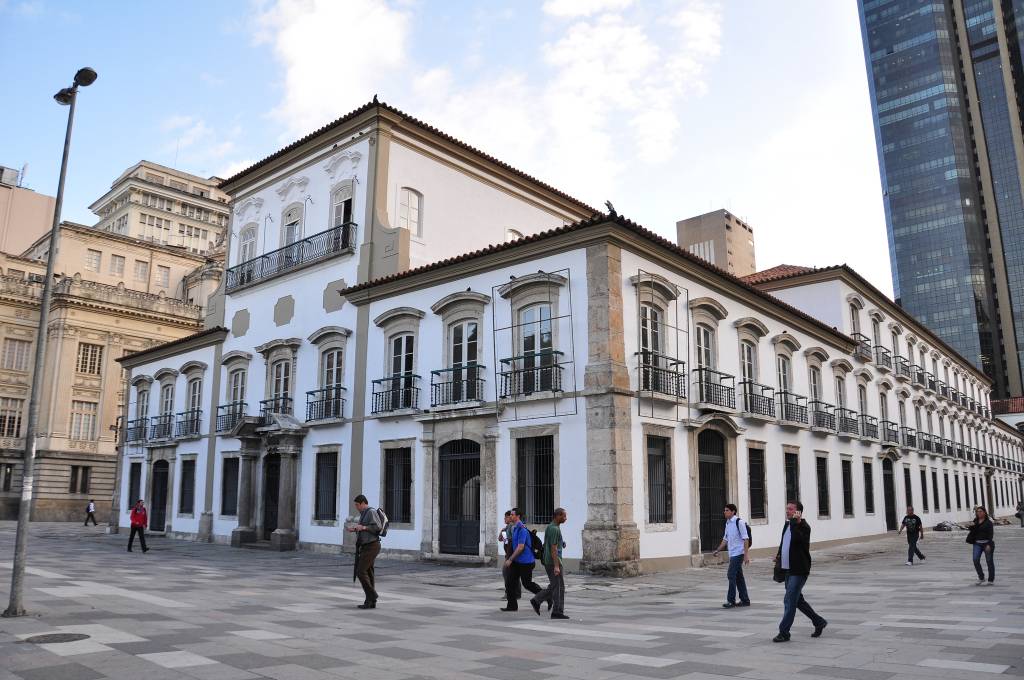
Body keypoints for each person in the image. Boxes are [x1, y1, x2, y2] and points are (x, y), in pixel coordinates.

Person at [773, 501, 827, 642]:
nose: (787, 511)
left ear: (798, 512)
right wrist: (779, 555)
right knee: (797, 601)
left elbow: (797, 540)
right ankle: (818, 621)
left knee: (789, 600)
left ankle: (784, 632)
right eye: (787, 509)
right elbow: (784, 542)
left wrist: (795, 522)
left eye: (790, 509)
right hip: (787, 569)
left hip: (799, 570)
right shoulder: (787, 524)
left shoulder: (804, 527)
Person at [500, 507, 542, 612]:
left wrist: (510, 559)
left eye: (513, 515)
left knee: (527, 584)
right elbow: (511, 543)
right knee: (510, 582)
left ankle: (546, 596)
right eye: (510, 515)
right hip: (517, 561)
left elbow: (520, 547)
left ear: (518, 516)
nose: (511, 516)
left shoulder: (522, 529)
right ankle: (512, 606)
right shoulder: (514, 528)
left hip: (526, 562)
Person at [531, 507, 569, 619]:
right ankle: (554, 610)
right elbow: (553, 548)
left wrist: (561, 543)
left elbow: (551, 543)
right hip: (553, 561)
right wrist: (556, 565)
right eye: (564, 516)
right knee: (559, 587)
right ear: (557, 516)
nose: (565, 518)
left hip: (551, 560)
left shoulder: (551, 527)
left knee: (555, 585)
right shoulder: (554, 529)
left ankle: (540, 602)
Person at [347, 494, 382, 609]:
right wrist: (355, 529)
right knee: (369, 573)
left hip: (372, 546)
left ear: (363, 503)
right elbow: (364, 528)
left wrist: (364, 528)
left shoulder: (371, 511)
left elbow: (378, 527)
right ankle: (370, 602)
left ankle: (372, 595)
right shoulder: (363, 514)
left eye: (357, 505)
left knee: (360, 571)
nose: (356, 507)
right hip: (366, 546)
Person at [712, 503, 750, 608]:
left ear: (733, 511)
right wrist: (718, 550)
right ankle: (745, 600)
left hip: (739, 553)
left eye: (727, 510)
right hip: (732, 553)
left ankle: (731, 600)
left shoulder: (739, 522)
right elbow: (726, 539)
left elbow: (745, 539)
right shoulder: (728, 523)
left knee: (731, 575)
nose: (725, 512)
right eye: (724, 510)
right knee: (739, 577)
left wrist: (746, 555)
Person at [966, 505, 995, 586]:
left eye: (980, 511)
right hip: (977, 543)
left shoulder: (988, 523)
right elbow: (973, 531)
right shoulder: (975, 521)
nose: (979, 513)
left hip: (986, 544)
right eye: (977, 512)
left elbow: (991, 534)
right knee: (975, 559)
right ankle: (981, 577)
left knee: (989, 561)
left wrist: (989, 544)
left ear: (985, 513)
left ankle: (991, 579)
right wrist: (970, 526)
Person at [498, 510, 520, 602]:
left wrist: (509, 557)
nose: (504, 519)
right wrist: (501, 532)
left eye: (506, 517)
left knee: (506, 573)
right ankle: (517, 593)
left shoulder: (511, 527)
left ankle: (509, 593)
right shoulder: (507, 528)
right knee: (513, 575)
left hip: (510, 554)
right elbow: (500, 539)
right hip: (510, 554)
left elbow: (510, 541)